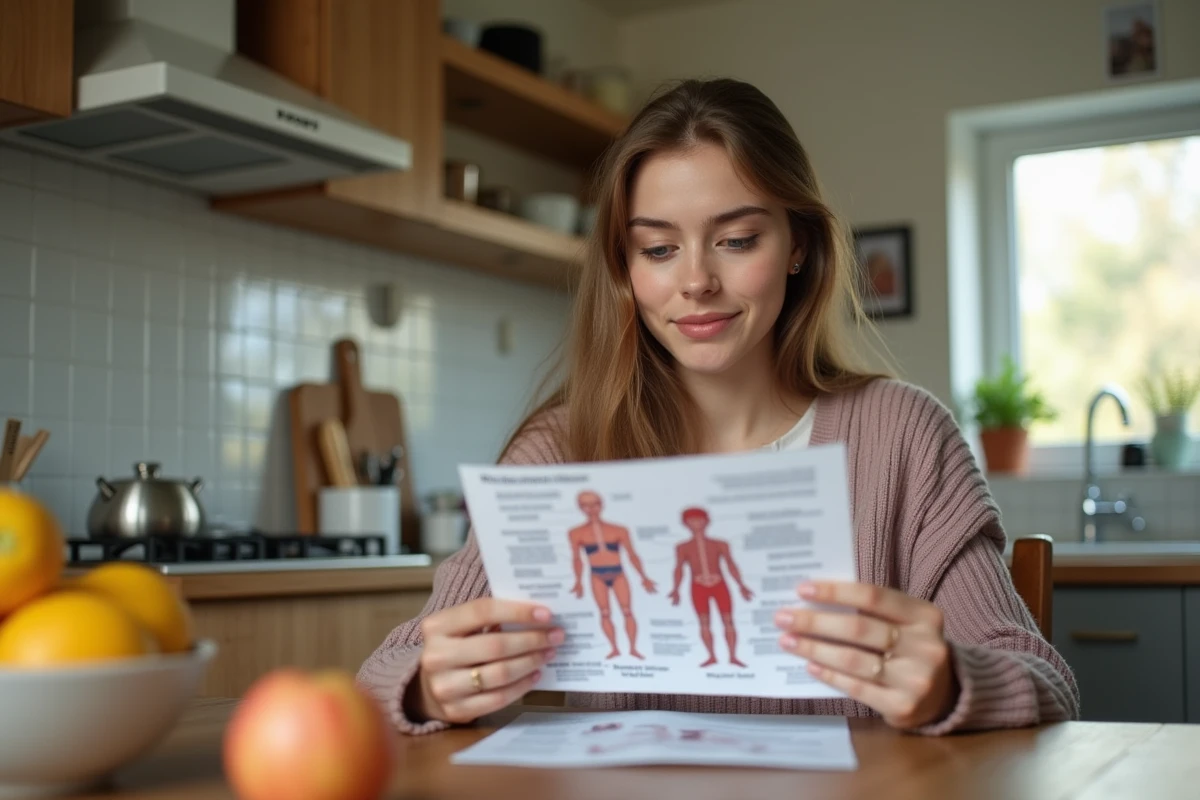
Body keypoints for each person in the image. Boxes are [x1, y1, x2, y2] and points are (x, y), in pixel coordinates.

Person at [357, 78, 1079, 736]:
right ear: (625, 267)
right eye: (659, 249)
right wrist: (432, 686)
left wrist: (951, 683)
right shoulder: (562, 449)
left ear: (798, 243)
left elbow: (1043, 680)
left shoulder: (905, 437)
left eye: (736, 240)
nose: (696, 282)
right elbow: (384, 675)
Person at [568, 489, 657, 660]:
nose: (590, 509)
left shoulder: (619, 530)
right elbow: (576, 559)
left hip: (618, 573)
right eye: (585, 506)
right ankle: (614, 648)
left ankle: (633, 648)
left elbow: (632, 554)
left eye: (594, 504)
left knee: (627, 611)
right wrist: (578, 581)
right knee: (605, 613)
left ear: (601, 505)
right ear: (580, 508)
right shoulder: (576, 532)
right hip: (596, 575)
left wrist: (643, 577)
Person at [667, 507, 753, 668]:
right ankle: (712, 656)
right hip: (698, 586)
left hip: (719, 584)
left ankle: (733, 656)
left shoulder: (720, 544)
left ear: (707, 521)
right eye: (691, 521)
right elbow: (679, 568)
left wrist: (741, 585)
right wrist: (676, 589)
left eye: (699, 520)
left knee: (728, 620)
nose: (696, 524)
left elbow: (730, 564)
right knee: (704, 622)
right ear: (685, 524)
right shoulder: (683, 547)